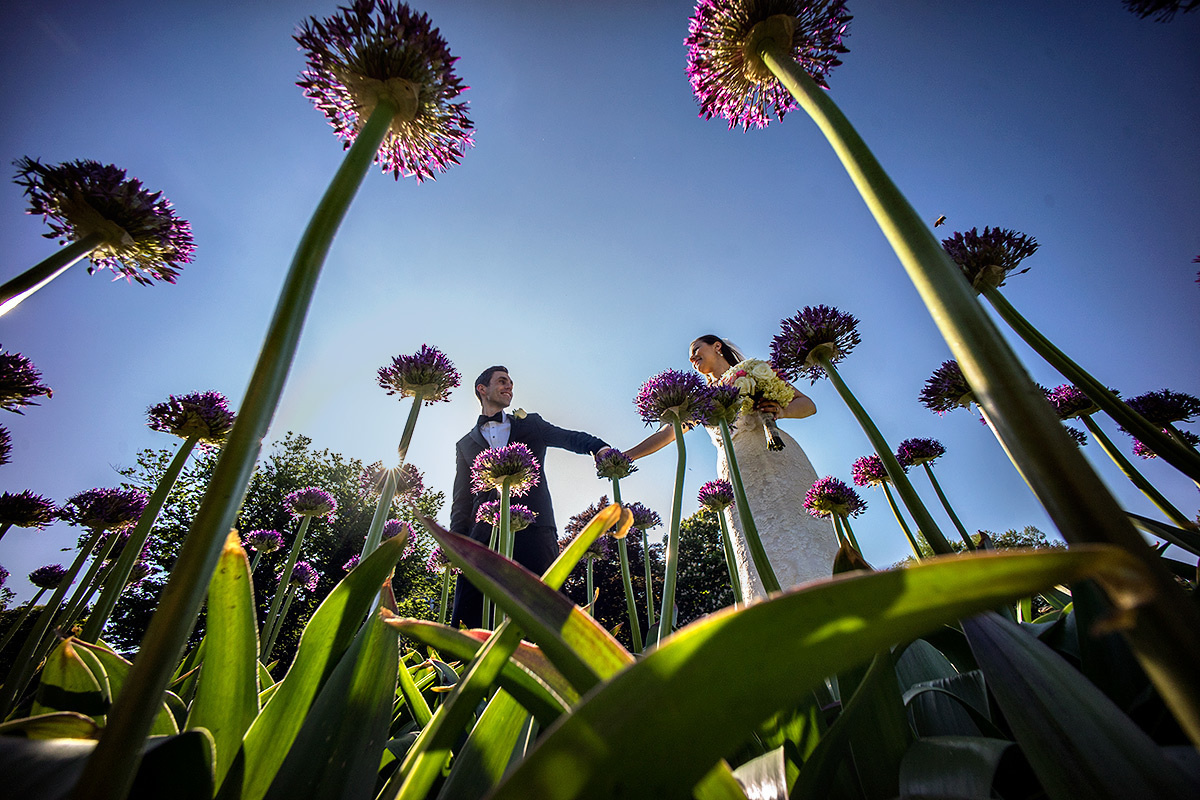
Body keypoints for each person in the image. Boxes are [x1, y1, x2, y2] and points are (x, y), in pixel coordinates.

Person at [623, 335, 838, 600]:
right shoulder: (700, 400)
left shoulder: (754, 371)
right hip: (736, 472)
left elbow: (808, 405)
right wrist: (627, 455)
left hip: (778, 459)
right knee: (753, 541)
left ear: (717, 347)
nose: (692, 358)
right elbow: (669, 433)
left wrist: (780, 411)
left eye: (696, 350)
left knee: (801, 526)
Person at [449, 365, 611, 628]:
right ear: (482, 389)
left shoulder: (530, 424)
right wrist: (455, 543)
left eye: (511, 383)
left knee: (548, 606)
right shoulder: (465, 444)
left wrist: (598, 447)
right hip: (483, 534)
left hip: (533, 527)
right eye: (502, 381)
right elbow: (462, 498)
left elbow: (568, 437)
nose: (509, 387)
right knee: (469, 611)